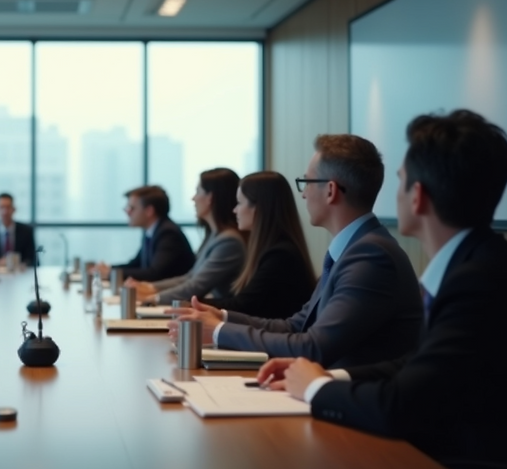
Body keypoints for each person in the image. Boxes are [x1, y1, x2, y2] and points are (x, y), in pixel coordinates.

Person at [260, 110, 507, 468]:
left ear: (417, 197)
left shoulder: (478, 279)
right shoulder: (480, 261)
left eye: (399, 181)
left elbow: (400, 406)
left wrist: (316, 388)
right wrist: (327, 376)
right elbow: (416, 366)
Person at [170, 134, 423, 369]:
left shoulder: (370, 256)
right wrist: (222, 317)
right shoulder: (355, 248)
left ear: (331, 191)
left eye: (306, 182)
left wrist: (217, 331)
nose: (303, 194)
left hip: (348, 406)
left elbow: (313, 347)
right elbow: (296, 325)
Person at [200, 171, 316, 318]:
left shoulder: (280, 256)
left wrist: (193, 304)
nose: (234, 210)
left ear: (259, 208)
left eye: (240, 203)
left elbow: (243, 306)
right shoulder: (275, 249)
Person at [127, 168, 246, 305]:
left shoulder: (228, 241)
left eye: (198, 192)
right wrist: (150, 287)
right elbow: (190, 277)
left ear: (210, 198)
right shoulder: (214, 235)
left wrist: (152, 298)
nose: (193, 198)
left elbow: (195, 287)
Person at [97, 185, 195, 282]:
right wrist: (110, 268)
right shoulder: (152, 231)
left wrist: (111, 273)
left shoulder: (168, 233)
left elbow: (154, 273)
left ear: (149, 211)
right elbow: (136, 263)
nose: (127, 213)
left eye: (131, 208)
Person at [0, 193, 36, 265]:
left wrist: (15, 263)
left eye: (8, 207)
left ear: (14, 209)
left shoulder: (26, 231)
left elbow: (33, 259)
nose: (5, 212)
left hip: (20, 273)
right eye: (1, 207)